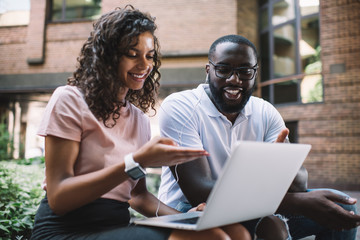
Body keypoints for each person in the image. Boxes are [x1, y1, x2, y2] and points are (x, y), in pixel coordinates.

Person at [30, 7, 252, 240]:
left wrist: (186, 218)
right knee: (212, 238)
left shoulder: (138, 119)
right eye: (132, 54)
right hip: (66, 230)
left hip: (116, 226)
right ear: (108, 56)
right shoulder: (69, 99)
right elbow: (59, 198)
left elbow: (138, 197)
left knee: (237, 233)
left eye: (149, 55)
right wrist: (136, 162)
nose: (144, 65)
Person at [158, 34, 360, 239]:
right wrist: (293, 199)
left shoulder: (265, 111)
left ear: (255, 73)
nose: (234, 79)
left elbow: (299, 183)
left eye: (245, 71)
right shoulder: (181, 107)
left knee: (342, 207)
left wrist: (280, 163)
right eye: (223, 69)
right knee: (269, 224)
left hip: (252, 203)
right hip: (191, 209)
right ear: (209, 70)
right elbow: (199, 191)